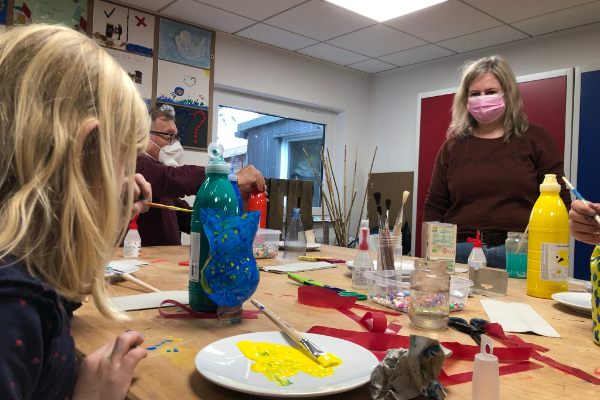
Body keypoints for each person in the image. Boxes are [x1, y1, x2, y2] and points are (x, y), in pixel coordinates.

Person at [0, 25, 152, 400]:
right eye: (123, 159)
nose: (127, 180)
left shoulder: (22, 279)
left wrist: (110, 220)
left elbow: (58, 295)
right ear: (87, 152)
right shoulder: (10, 309)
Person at [423, 55, 571, 269]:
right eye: (475, 94)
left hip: (520, 252)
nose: (482, 99)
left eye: (491, 92)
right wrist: (430, 259)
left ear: (507, 94)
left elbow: (560, 202)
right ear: (465, 99)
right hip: (460, 251)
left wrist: (552, 260)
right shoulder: (452, 147)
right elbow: (435, 206)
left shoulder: (537, 139)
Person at [136, 105, 266, 246]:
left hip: (162, 262)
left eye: (176, 137)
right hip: (140, 264)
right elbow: (174, 178)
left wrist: (232, 196)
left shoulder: (159, 180)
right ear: (145, 136)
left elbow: (190, 218)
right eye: (169, 135)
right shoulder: (137, 164)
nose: (175, 142)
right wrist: (231, 178)